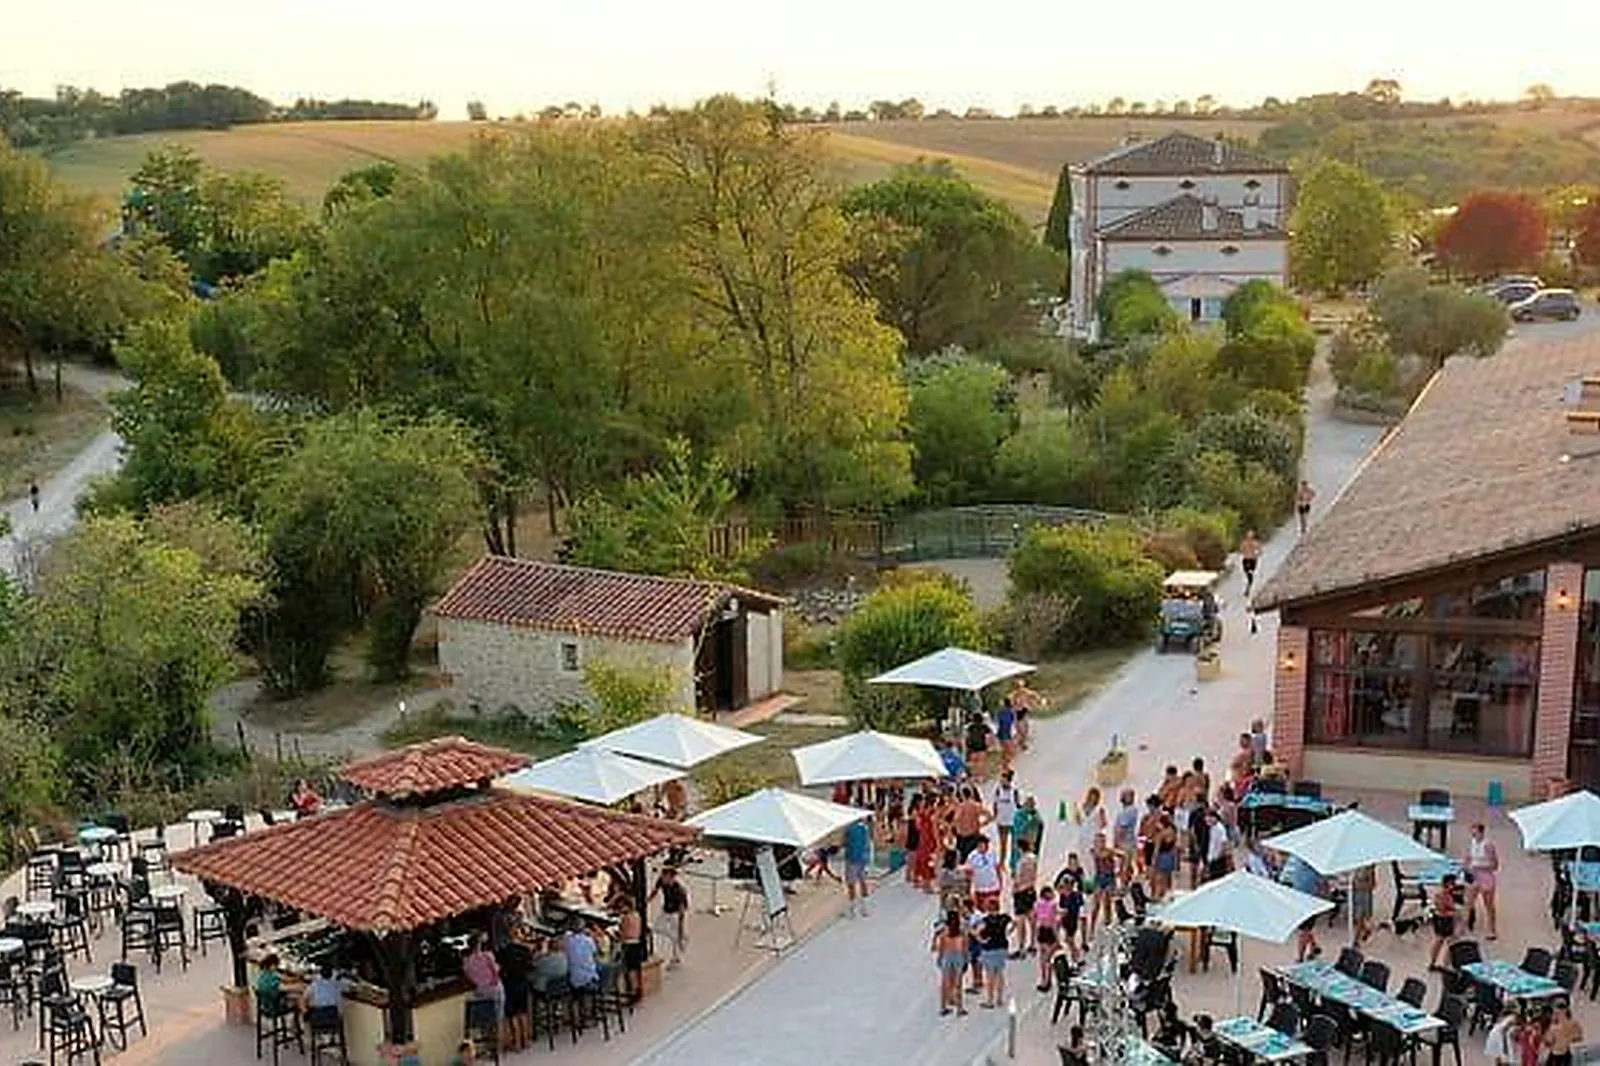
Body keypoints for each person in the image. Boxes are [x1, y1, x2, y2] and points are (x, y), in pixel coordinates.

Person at [462, 935, 505, 1046]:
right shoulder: (487, 956)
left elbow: (469, 977)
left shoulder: (467, 962)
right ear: (479, 944)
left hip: (481, 991)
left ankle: (489, 1045)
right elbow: (495, 971)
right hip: (495, 989)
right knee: (498, 1019)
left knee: (486, 1020)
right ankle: (499, 1045)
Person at [497, 929, 534, 1051]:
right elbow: (531, 967)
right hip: (523, 983)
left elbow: (500, 969)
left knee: (512, 1015)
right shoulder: (525, 950)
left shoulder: (503, 951)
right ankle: (526, 1040)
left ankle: (517, 1043)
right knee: (523, 1012)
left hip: (510, 985)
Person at [1283, 855, 1324, 961]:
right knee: (1305, 929)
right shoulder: (1313, 865)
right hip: (1305, 900)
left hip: (1306, 901)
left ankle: (1301, 957)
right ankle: (1313, 947)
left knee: (1304, 929)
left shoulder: (1298, 862)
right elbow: (1321, 884)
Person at [1465, 822, 1500, 940]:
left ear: (1481, 832)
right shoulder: (1472, 842)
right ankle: (1464, 928)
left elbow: (1494, 865)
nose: (1473, 834)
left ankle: (1492, 930)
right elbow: (1469, 856)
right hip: (1474, 876)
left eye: (1475, 832)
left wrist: (1478, 867)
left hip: (1486, 877)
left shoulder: (1488, 845)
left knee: (1489, 905)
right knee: (1468, 903)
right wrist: (1465, 866)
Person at [650, 865, 689, 968]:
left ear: (671, 877)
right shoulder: (661, 881)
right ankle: (675, 943)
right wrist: (647, 900)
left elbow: (682, 911)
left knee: (676, 935)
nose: (663, 878)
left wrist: (681, 928)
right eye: (662, 876)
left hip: (675, 913)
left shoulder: (679, 890)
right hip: (666, 910)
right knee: (657, 928)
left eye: (665, 876)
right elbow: (655, 890)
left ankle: (676, 955)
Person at [932, 909, 969, 1017]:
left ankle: (943, 1007)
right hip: (958, 957)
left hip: (947, 957)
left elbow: (941, 948)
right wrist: (966, 960)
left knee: (945, 983)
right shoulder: (962, 932)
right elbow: (965, 948)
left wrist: (939, 959)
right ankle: (960, 1008)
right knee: (959, 984)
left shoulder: (944, 932)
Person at [977, 896, 1012, 1009]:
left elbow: (977, 932)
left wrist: (981, 940)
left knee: (990, 976)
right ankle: (999, 999)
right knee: (1000, 974)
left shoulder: (985, 920)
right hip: (1002, 948)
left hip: (989, 949)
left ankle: (990, 1000)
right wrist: (1008, 932)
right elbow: (1014, 923)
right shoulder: (1004, 917)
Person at [1054, 852, 1087, 955]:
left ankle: (1083, 942)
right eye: (1071, 863)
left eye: (1075, 862)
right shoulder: (1064, 872)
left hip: (1076, 903)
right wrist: (1062, 891)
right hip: (1065, 903)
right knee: (1060, 925)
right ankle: (1057, 941)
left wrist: (1078, 889)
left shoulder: (1080, 872)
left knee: (1071, 934)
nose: (1073, 865)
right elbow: (1056, 885)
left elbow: (1083, 886)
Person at [1011, 839, 1038, 958]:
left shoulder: (1021, 861)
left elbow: (1018, 878)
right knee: (1032, 919)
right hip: (1031, 890)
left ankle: (1021, 948)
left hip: (1021, 892)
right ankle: (1032, 944)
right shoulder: (1033, 858)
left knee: (1021, 921)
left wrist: (1015, 889)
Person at [1427, 872, 1459, 971]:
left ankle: (1434, 962)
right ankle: (1446, 964)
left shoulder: (1442, 894)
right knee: (1449, 942)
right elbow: (1443, 910)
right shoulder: (1443, 895)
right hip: (1444, 920)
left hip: (1440, 920)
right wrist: (1455, 913)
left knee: (1439, 941)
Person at [1088, 833, 1116, 941]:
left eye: (1101, 841)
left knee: (1107, 903)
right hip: (1099, 878)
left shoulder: (1109, 851)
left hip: (1109, 877)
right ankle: (1092, 930)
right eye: (1097, 841)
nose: (1099, 843)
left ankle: (1107, 926)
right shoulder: (1093, 852)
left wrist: (1120, 871)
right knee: (1096, 905)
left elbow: (1123, 855)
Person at [964, 834, 1004, 912]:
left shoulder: (992, 854)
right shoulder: (972, 856)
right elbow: (968, 871)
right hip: (980, 888)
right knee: (981, 911)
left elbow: (997, 869)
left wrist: (1001, 883)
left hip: (993, 886)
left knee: (994, 910)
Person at [616, 897, 645, 1001]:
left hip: (628, 944)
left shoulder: (626, 918)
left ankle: (632, 991)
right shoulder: (637, 915)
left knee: (630, 970)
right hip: (637, 944)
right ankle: (638, 989)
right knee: (636, 968)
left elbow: (623, 933)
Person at [1033, 885, 1061, 991]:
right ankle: (1048, 981)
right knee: (1049, 958)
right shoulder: (1053, 905)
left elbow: (1037, 919)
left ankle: (1044, 979)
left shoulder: (1038, 904)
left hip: (1041, 930)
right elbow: (1053, 922)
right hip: (1049, 932)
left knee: (1043, 957)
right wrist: (1057, 939)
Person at [952, 787, 992, 861]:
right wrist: (982, 824)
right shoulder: (976, 806)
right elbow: (989, 816)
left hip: (964, 835)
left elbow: (955, 820)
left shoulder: (960, 807)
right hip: (972, 833)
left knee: (963, 859)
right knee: (973, 859)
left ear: (962, 795)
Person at [843, 817, 872, 917]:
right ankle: (864, 908)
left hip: (851, 859)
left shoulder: (848, 829)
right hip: (862, 859)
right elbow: (868, 844)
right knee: (863, 882)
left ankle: (852, 910)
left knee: (851, 884)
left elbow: (844, 843)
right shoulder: (865, 828)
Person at [993, 770, 1019, 867]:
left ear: (1009, 781)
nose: (1001, 782)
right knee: (1003, 843)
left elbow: (1017, 804)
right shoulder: (998, 791)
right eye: (1001, 780)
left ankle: (1014, 863)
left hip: (1012, 820)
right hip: (1001, 821)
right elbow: (995, 804)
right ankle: (1002, 862)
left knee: (1014, 843)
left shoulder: (1014, 791)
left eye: (1003, 780)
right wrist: (996, 816)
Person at [1076, 787, 1107, 865]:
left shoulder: (1099, 809)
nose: (1092, 799)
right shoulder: (1081, 807)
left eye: (1095, 797)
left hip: (1094, 838)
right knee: (1082, 858)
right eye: (1091, 796)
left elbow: (1103, 824)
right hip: (1083, 836)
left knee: (1092, 860)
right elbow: (1079, 822)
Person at [1350, 864, 1376, 945]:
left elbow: (1372, 885)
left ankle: (1356, 940)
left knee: (1360, 917)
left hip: (1365, 895)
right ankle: (1366, 930)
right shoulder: (1356, 868)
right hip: (1357, 894)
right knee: (1359, 918)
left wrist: (1361, 885)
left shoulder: (1369, 870)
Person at [966, 710, 992, 779]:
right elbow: (988, 736)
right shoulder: (984, 726)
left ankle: (974, 776)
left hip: (972, 746)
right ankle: (981, 776)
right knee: (981, 762)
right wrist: (989, 746)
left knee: (973, 762)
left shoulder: (970, 727)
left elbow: (967, 736)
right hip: (982, 746)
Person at [995, 698, 1018, 771]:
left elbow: (997, 722)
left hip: (1001, 732)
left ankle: (1004, 764)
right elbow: (1013, 722)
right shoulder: (1011, 711)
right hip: (1007, 732)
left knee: (1005, 750)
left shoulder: (1000, 712)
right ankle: (1005, 765)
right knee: (1011, 751)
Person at [1240, 530, 1262, 594]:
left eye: (1251, 537)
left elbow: (1260, 550)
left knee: (1250, 574)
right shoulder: (1244, 543)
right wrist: (1245, 553)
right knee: (1247, 572)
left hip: (1252, 560)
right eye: (1248, 536)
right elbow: (1241, 550)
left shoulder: (1256, 543)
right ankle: (1248, 584)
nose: (1249, 538)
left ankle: (1248, 587)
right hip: (1246, 560)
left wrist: (1256, 555)